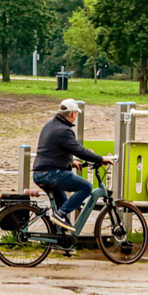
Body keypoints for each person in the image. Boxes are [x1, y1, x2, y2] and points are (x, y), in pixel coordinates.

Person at [32, 99, 113, 232]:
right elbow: (79, 150)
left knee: (63, 203)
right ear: (73, 114)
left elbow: (53, 151)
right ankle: (60, 215)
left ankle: (61, 238)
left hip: (40, 173)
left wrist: (71, 163)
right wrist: (101, 158)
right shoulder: (64, 131)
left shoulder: (49, 125)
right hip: (51, 174)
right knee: (86, 187)